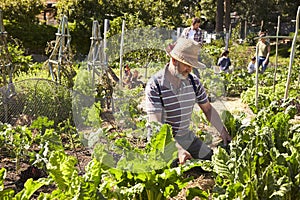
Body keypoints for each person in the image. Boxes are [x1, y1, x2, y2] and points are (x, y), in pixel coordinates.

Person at [145, 38, 231, 165]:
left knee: (211, 159)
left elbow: (207, 109)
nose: (189, 69)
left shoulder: (193, 81)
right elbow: (156, 125)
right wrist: (178, 150)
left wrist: (222, 131)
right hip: (162, 141)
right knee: (172, 168)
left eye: (191, 65)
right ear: (174, 60)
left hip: (185, 136)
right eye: (186, 64)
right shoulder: (155, 85)